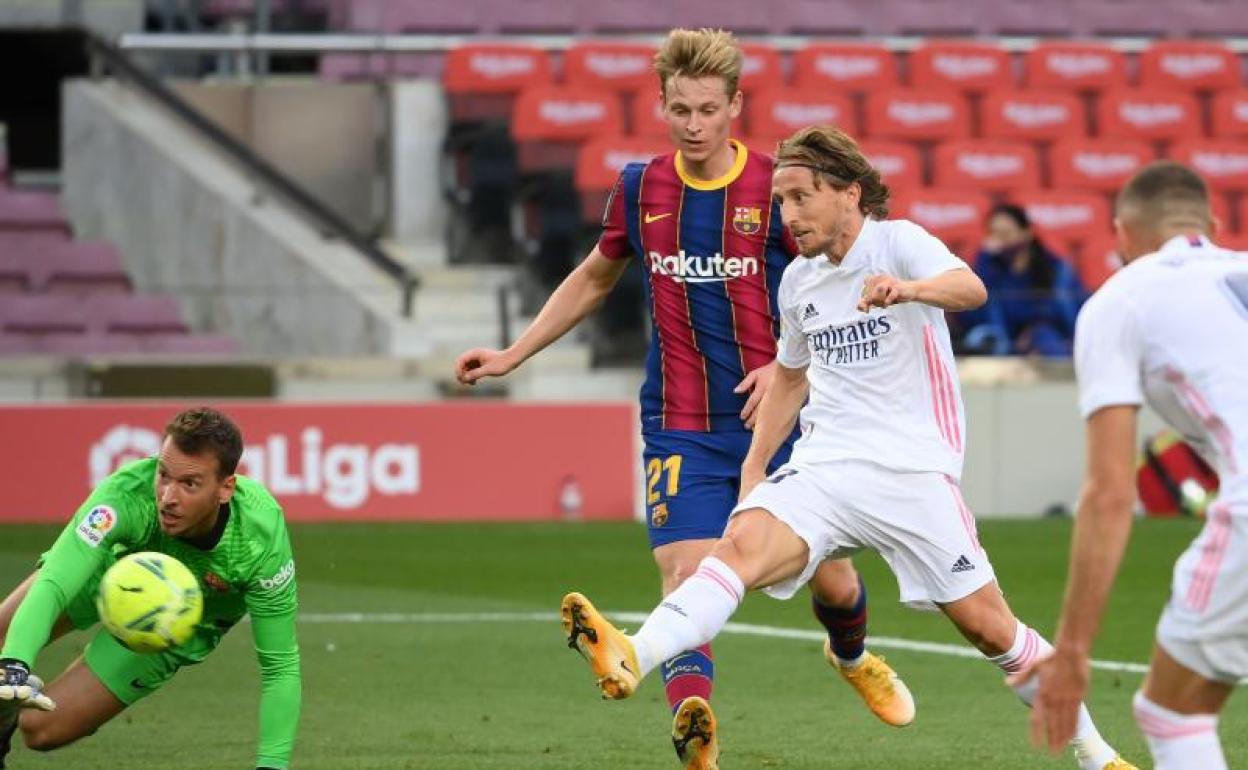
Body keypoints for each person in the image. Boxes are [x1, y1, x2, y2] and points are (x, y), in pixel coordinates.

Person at [560, 125, 1137, 770]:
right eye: (781, 201)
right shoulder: (800, 283)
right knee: (739, 550)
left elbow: (971, 288)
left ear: (848, 194)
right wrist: (755, 468)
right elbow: (789, 377)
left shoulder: (899, 242)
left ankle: (1097, 755)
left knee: (987, 627)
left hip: (911, 472)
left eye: (802, 198)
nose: (789, 215)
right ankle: (634, 652)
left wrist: (909, 288)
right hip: (825, 468)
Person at [455, 27, 911, 770]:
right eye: (680, 109)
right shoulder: (640, 187)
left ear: (736, 105)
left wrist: (792, 370)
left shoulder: (774, 189)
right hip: (680, 424)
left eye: (708, 108)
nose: (694, 124)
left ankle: (852, 655)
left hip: (779, 417)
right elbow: (596, 276)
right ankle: (695, 723)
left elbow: (837, 278)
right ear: (661, 106)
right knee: (689, 572)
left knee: (833, 576)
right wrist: (514, 353)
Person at [1016, 161, 1248, 770]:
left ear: (1121, 235)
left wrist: (1073, 651)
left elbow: (1111, 494)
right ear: (1213, 225)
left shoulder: (1121, 299)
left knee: (1173, 715)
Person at [0, 407, 300, 770]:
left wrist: (272, 766)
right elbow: (58, 578)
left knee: (39, 729)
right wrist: (15, 662)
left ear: (225, 488)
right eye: (164, 475)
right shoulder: (127, 493)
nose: (168, 497)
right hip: (110, 572)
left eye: (189, 484)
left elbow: (280, 666)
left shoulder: (260, 539)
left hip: (177, 625)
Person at [959, 204, 1086, 357]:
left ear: (1026, 233)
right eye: (994, 235)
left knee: (1046, 338)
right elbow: (971, 316)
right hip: (1003, 343)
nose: (999, 242)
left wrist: (1031, 330)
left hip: (1045, 337)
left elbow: (1068, 313)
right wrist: (984, 261)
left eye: (1005, 234)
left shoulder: (1057, 271)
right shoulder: (988, 269)